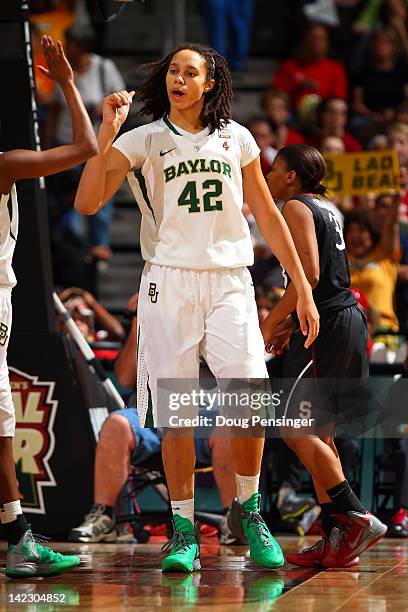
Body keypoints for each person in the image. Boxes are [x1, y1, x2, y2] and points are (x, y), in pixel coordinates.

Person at [74, 42, 319, 573]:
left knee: (250, 396)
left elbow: (268, 216)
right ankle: (183, 530)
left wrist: (300, 284)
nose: (179, 80)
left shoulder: (238, 138)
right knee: (176, 414)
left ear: (210, 83)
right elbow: (87, 201)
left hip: (230, 280)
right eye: (174, 72)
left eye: (191, 73)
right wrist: (107, 131)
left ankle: (248, 513)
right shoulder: (145, 139)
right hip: (169, 280)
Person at [262, 144, 387, 568]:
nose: (269, 176)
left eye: (274, 169)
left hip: (327, 325)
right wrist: (289, 325)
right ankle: (339, 538)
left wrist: (272, 321)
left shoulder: (295, 206)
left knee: (293, 429)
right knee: (322, 435)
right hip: (342, 321)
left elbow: (310, 275)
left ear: (292, 176)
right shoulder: (328, 207)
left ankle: (355, 514)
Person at [0, 35, 97, 577]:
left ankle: (17, 533)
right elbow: (85, 149)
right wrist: (64, 80)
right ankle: (18, 539)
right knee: (0, 418)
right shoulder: (6, 164)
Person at [69, 293, 241, 545]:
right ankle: (104, 515)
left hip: (203, 415)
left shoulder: (213, 311)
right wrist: (140, 319)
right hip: (151, 414)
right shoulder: (155, 308)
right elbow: (126, 378)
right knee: (117, 422)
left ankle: (233, 519)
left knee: (230, 425)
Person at [44, 24, 125, 261]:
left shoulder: (103, 68)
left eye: (72, 45)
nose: (68, 49)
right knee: (70, 199)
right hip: (66, 144)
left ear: (83, 47)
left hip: (95, 145)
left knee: (99, 189)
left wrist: (105, 107)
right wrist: (48, 146)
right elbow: (56, 110)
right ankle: (75, 244)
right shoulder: (64, 69)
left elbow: (123, 97)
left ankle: (98, 243)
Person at [272, 23, 348, 113]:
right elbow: (276, 94)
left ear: (327, 43)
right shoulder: (290, 66)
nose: (317, 41)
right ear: (305, 40)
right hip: (291, 115)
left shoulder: (336, 69)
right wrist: (299, 85)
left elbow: (339, 100)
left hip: (324, 118)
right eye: (313, 37)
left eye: (322, 38)